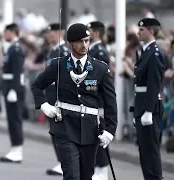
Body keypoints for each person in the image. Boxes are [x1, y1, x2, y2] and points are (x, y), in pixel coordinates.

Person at [31, 23, 117, 180]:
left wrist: (110, 130)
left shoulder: (100, 69)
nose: (84, 45)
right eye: (80, 41)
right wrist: (44, 105)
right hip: (65, 128)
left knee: (86, 176)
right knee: (71, 175)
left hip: (90, 130)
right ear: (70, 43)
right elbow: (37, 86)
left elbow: (111, 102)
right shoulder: (58, 65)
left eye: (86, 40)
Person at [133, 18, 166, 180]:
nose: (139, 32)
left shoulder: (155, 53)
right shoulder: (146, 51)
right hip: (142, 105)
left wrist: (148, 111)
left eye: (142, 29)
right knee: (144, 151)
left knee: (151, 151)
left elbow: (154, 84)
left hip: (150, 107)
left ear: (151, 31)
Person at [44, 23, 70, 176]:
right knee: (55, 131)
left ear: (59, 33)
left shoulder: (63, 51)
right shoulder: (53, 51)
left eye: (52, 32)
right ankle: (61, 161)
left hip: (59, 97)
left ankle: (65, 162)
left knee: (61, 132)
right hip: (51, 96)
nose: (49, 35)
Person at [0, 23, 25, 163]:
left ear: (12, 32)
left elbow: (17, 71)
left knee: (15, 120)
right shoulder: (10, 48)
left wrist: (14, 89)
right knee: (11, 119)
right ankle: (14, 148)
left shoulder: (16, 48)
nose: (4, 34)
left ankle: (17, 149)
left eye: (5, 32)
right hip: (9, 86)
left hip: (14, 88)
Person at [87, 21, 110, 180]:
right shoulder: (92, 49)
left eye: (88, 32)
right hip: (91, 98)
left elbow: (99, 79)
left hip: (98, 99)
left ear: (95, 33)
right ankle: (97, 167)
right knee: (92, 134)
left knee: (100, 134)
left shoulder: (99, 51)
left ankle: (102, 170)